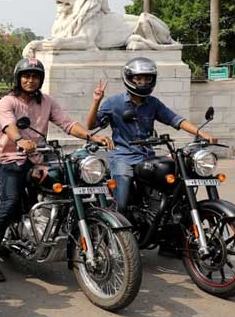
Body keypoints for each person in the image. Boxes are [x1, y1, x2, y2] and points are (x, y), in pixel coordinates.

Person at [0, 57, 114, 282]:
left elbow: (67, 123)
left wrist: (91, 136)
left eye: (35, 76)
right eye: (26, 76)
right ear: (18, 78)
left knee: (65, 187)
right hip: (11, 158)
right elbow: (9, 125)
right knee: (9, 205)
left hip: (37, 159)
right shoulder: (8, 101)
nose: (30, 80)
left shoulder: (47, 101)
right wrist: (19, 140)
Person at [86, 56, 216, 213]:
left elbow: (175, 119)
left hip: (147, 156)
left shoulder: (153, 103)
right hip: (123, 156)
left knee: (171, 183)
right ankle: (119, 229)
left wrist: (201, 133)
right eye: (138, 78)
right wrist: (96, 101)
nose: (143, 82)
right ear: (129, 79)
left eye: (147, 79)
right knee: (122, 199)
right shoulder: (114, 103)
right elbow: (91, 125)